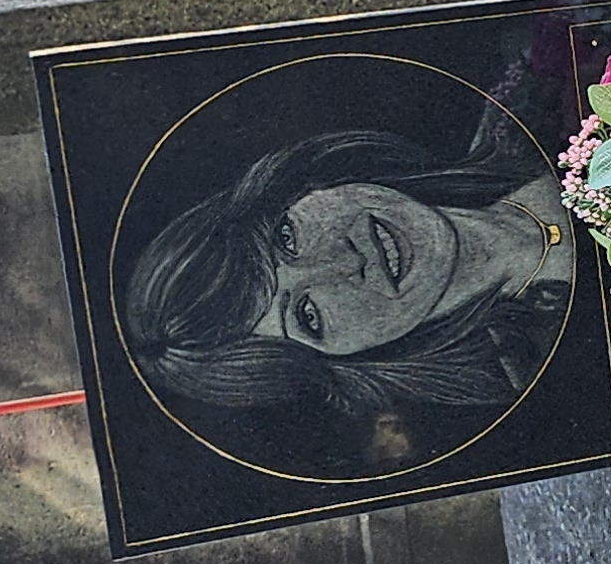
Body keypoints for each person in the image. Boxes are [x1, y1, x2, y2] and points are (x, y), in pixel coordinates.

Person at [121, 120, 571, 474]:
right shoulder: (551, 380)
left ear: (306, 186)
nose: (347, 264)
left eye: (286, 237)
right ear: (345, 363)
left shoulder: (528, 101)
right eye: (307, 315)